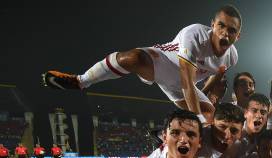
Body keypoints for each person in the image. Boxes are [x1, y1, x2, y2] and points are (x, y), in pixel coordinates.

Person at [42, 5, 242, 124]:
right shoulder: (195, 35)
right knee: (132, 58)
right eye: (221, 26)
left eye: (231, 30)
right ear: (212, 25)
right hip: (164, 63)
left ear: (237, 36)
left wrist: (207, 94)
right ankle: (80, 81)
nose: (225, 32)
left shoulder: (232, 57)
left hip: (182, 84)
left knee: (211, 117)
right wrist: (196, 119)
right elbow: (187, 83)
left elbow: (217, 73)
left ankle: (168, 141)